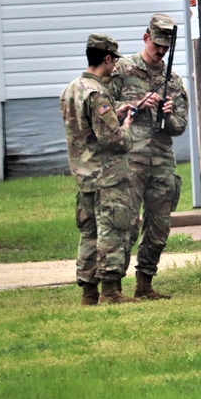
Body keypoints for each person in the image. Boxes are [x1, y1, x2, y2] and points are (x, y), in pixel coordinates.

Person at [107, 14, 188, 300]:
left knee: (159, 225)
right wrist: (135, 104)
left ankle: (145, 284)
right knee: (125, 224)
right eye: (157, 45)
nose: (161, 52)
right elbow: (102, 107)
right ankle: (113, 286)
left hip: (162, 161)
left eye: (165, 48)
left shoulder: (173, 81)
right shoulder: (123, 70)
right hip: (130, 159)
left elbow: (180, 125)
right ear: (145, 39)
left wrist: (168, 114)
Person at [60, 33, 139, 305]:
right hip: (108, 176)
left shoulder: (72, 89)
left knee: (89, 233)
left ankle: (89, 293)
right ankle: (110, 292)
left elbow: (85, 127)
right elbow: (112, 139)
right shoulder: (98, 92)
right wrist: (125, 128)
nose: (115, 66)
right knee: (112, 231)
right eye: (113, 61)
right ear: (106, 58)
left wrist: (114, 112)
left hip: (84, 176)